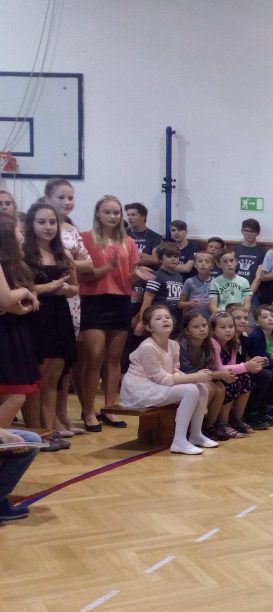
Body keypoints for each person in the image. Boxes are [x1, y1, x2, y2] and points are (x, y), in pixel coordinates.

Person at [77, 195, 144, 431]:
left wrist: (138, 275)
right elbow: (81, 274)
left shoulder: (128, 242)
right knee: (94, 357)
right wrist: (106, 268)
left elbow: (128, 278)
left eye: (116, 212)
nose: (113, 216)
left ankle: (110, 408)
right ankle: (88, 411)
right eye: (107, 212)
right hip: (94, 299)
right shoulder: (85, 238)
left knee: (114, 358)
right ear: (98, 213)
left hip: (121, 300)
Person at [120, 304, 218, 455]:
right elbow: (161, 379)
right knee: (190, 390)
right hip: (140, 388)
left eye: (167, 317)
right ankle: (179, 441)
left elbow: (174, 371)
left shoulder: (173, 345)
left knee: (201, 387)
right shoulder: (148, 347)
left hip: (157, 385)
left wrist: (194, 379)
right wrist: (193, 376)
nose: (165, 320)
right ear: (149, 327)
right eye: (158, 318)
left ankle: (196, 434)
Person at [22, 202, 78, 452]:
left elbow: (75, 288)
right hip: (35, 316)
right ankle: (36, 431)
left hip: (59, 315)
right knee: (37, 377)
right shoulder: (24, 252)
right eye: (42, 222)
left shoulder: (62, 253)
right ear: (31, 224)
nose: (48, 227)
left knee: (53, 378)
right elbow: (21, 289)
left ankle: (49, 427)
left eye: (52, 222)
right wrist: (51, 287)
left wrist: (65, 289)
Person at [0, 213, 43, 519]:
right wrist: (26, 293)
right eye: (18, 231)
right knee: (15, 394)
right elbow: (7, 301)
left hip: (14, 331)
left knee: (14, 394)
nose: (22, 236)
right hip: (6, 336)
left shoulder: (14, 264)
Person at [44, 178, 92, 437]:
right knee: (50, 364)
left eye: (70, 197)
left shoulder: (71, 230)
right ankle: (48, 419)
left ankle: (63, 415)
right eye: (61, 197)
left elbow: (88, 264)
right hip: (50, 299)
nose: (67, 202)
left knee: (65, 362)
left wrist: (69, 261)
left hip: (72, 300)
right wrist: (71, 261)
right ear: (48, 199)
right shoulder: (43, 228)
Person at [177, 310, 234, 440]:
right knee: (209, 387)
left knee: (220, 388)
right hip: (183, 379)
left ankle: (208, 426)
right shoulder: (181, 345)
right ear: (186, 331)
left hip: (201, 377)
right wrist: (218, 375)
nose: (202, 329)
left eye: (204, 325)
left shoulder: (208, 344)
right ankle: (189, 428)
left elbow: (209, 367)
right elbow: (186, 371)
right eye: (196, 327)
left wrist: (217, 375)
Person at [209, 310, 264, 435]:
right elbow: (219, 368)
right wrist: (245, 366)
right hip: (213, 375)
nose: (228, 330)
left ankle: (237, 419)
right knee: (229, 382)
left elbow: (232, 366)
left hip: (223, 374)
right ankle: (222, 423)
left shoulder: (234, 342)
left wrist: (251, 366)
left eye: (230, 326)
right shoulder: (213, 343)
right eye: (223, 327)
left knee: (245, 378)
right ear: (213, 329)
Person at [136, 242, 184, 334]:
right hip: (159, 319)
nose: (173, 259)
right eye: (169, 256)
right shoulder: (157, 276)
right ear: (160, 259)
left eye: (176, 256)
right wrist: (142, 322)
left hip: (176, 318)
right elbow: (147, 299)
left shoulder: (179, 276)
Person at [179, 251, 215, 315]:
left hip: (210, 318)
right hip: (193, 317)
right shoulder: (189, 282)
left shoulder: (216, 282)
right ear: (195, 265)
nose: (203, 264)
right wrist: (189, 303)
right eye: (200, 261)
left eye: (207, 262)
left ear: (212, 266)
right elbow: (179, 304)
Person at [235, 219, 263, 299]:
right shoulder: (236, 249)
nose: (249, 234)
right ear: (242, 231)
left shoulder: (262, 252)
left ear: (257, 233)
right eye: (247, 231)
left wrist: (247, 297)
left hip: (253, 292)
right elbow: (230, 272)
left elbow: (258, 278)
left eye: (253, 231)